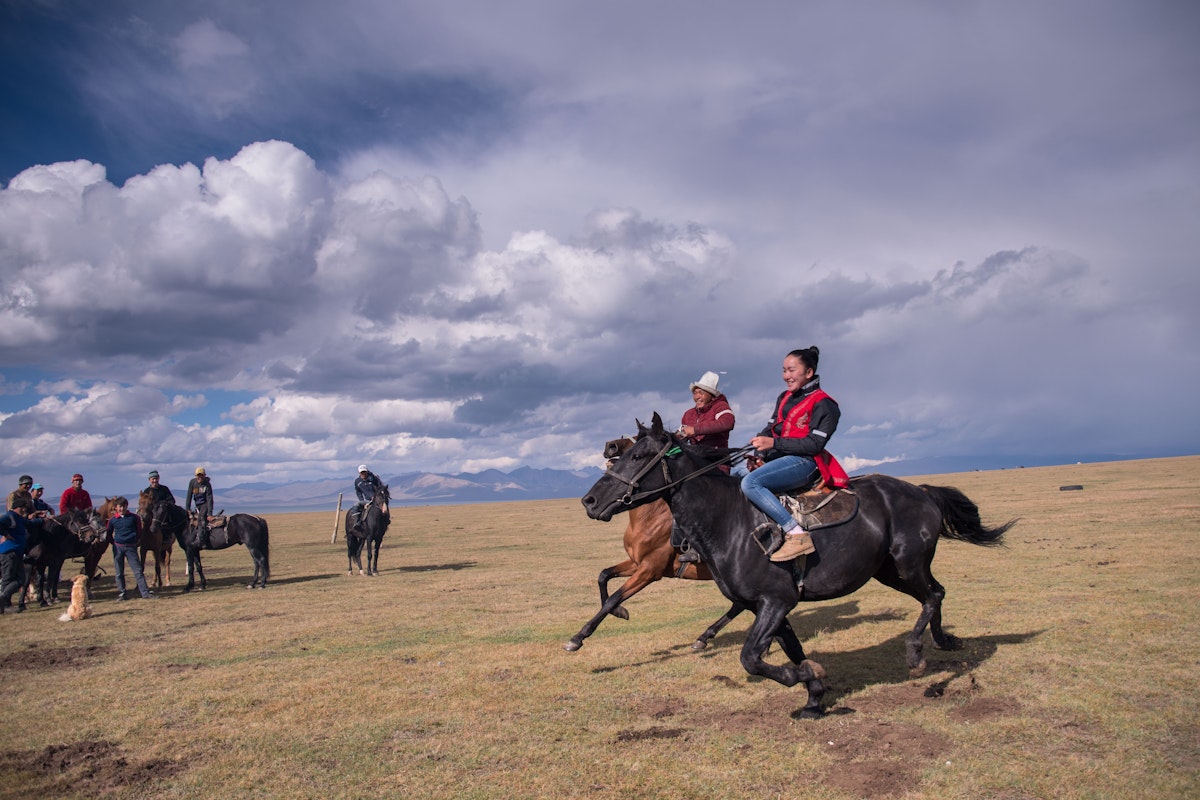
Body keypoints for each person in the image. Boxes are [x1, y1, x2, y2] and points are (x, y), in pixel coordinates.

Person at [740, 346, 850, 563]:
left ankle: (796, 534)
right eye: (783, 371)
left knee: (750, 484)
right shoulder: (784, 397)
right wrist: (759, 455)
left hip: (806, 462)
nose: (786, 376)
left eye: (791, 370)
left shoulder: (825, 404)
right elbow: (770, 429)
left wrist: (773, 443)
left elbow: (814, 445)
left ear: (808, 373)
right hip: (781, 460)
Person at [676, 372, 736, 564]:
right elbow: (682, 433)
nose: (697, 396)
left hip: (715, 467)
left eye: (701, 392)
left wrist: (696, 430)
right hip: (693, 468)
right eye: (695, 393)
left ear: (711, 394)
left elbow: (728, 423)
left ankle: (702, 547)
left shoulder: (721, 407)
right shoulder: (688, 414)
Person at [105, 496, 155, 600]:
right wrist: (114, 543)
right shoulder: (113, 520)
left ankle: (145, 593)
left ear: (126, 506)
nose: (122, 509)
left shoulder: (134, 517)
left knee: (137, 571)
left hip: (131, 547)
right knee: (119, 572)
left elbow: (139, 531)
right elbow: (108, 534)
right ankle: (122, 593)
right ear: (116, 508)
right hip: (118, 548)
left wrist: (134, 541)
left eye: (123, 506)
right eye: (120, 507)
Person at [0, 497, 32, 613]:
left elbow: (29, 523)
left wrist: (44, 520)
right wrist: (6, 534)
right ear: (19, 508)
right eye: (24, 508)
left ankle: (3, 601)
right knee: (8, 579)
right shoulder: (10, 516)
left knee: (21, 579)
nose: (25, 511)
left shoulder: (19, 518)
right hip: (9, 552)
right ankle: (5, 604)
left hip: (17, 552)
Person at [185, 468, 214, 549]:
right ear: (195, 476)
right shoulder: (192, 482)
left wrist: (210, 514)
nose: (199, 477)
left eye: (201, 475)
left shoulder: (207, 485)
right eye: (198, 475)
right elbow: (189, 496)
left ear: (204, 476)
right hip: (197, 505)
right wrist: (187, 509)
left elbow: (210, 499)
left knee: (201, 518)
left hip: (205, 504)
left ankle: (201, 541)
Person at [350, 465, 383, 531]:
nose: (363, 474)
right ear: (359, 473)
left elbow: (380, 487)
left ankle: (386, 520)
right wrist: (362, 501)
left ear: (367, 472)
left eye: (364, 472)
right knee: (356, 505)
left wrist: (376, 496)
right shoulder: (357, 481)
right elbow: (358, 492)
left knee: (384, 507)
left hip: (376, 499)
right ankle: (356, 522)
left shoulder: (374, 478)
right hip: (366, 500)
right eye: (361, 472)